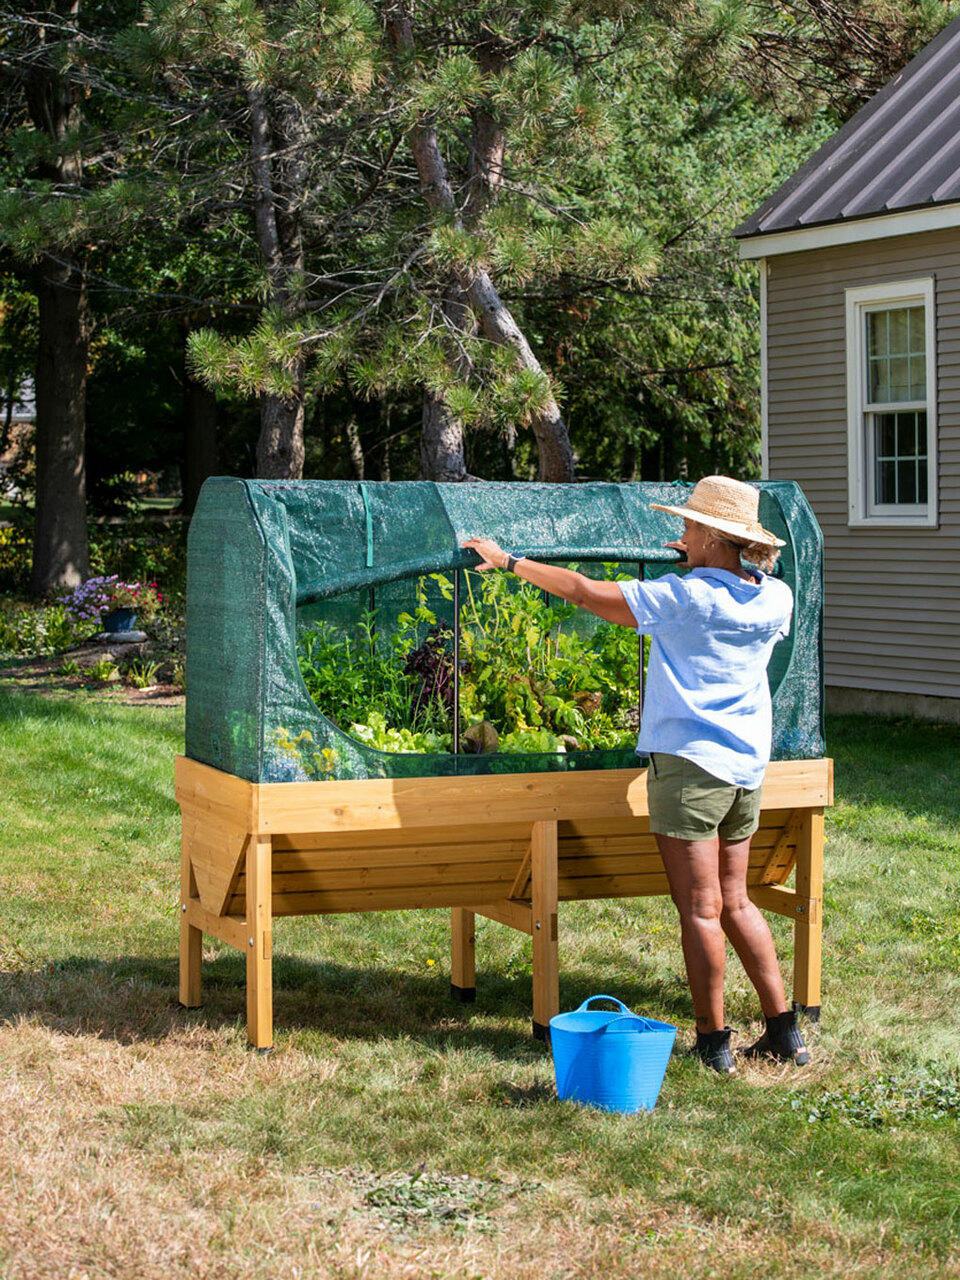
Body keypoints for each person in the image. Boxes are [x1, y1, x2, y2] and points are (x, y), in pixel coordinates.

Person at [462, 475, 809, 1074]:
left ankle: (713, 1043)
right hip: (746, 769)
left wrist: (508, 560)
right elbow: (738, 580)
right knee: (737, 901)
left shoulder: (686, 598)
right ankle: (785, 1032)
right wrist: (707, 559)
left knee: (700, 909)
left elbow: (587, 592)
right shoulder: (774, 598)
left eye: (689, 526)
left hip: (691, 769)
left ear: (710, 535)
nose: (680, 532)